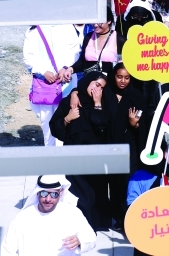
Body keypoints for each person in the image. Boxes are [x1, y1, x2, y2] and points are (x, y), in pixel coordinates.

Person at [50, 72, 115, 230]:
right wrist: (68, 119)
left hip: (96, 157)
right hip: (74, 156)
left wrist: (97, 103)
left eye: (101, 88)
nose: (97, 89)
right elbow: (55, 128)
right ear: (88, 82)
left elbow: (101, 124)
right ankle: (81, 227)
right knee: (81, 195)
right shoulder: (69, 103)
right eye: (96, 84)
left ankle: (97, 224)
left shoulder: (104, 102)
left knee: (97, 192)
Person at [1, 175, 96, 255]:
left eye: (54, 194)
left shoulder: (72, 213)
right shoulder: (23, 217)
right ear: (37, 193)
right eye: (44, 193)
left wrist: (79, 241)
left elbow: (91, 238)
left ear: (61, 193)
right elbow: (7, 249)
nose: (48, 199)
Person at [23, 24, 82, 146]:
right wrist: (44, 71)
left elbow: (76, 51)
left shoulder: (67, 27)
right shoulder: (34, 30)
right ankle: (51, 153)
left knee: (64, 116)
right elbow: (28, 57)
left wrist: (65, 68)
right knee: (47, 120)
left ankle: (59, 153)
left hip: (64, 81)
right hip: (46, 83)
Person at [105, 63, 144, 226]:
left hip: (129, 147)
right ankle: (116, 216)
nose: (123, 81)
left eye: (127, 78)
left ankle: (129, 217)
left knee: (127, 182)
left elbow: (143, 121)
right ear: (114, 76)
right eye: (119, 77)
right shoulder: (106, 94)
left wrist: (134, 123)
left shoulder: (136, 96)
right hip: (109, 146)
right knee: (113, 183)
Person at [60, 9, 120, 81]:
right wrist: (70, 69)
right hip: (89, 84)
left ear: (109, 21)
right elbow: (82, 61)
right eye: (94, 21)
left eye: (99, 22)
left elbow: (122, 64)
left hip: (110, 84)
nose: (95, 24)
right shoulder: (88, 37)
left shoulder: (119, 39)